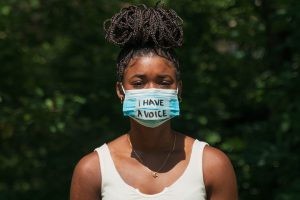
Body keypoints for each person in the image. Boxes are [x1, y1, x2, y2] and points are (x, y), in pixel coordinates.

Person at [70, 3, 238, 200]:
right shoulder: (93, 170)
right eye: (139, 83)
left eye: (163, 82)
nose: (152, 91)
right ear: (120, 91)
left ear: (179, 89)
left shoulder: (211, 165)